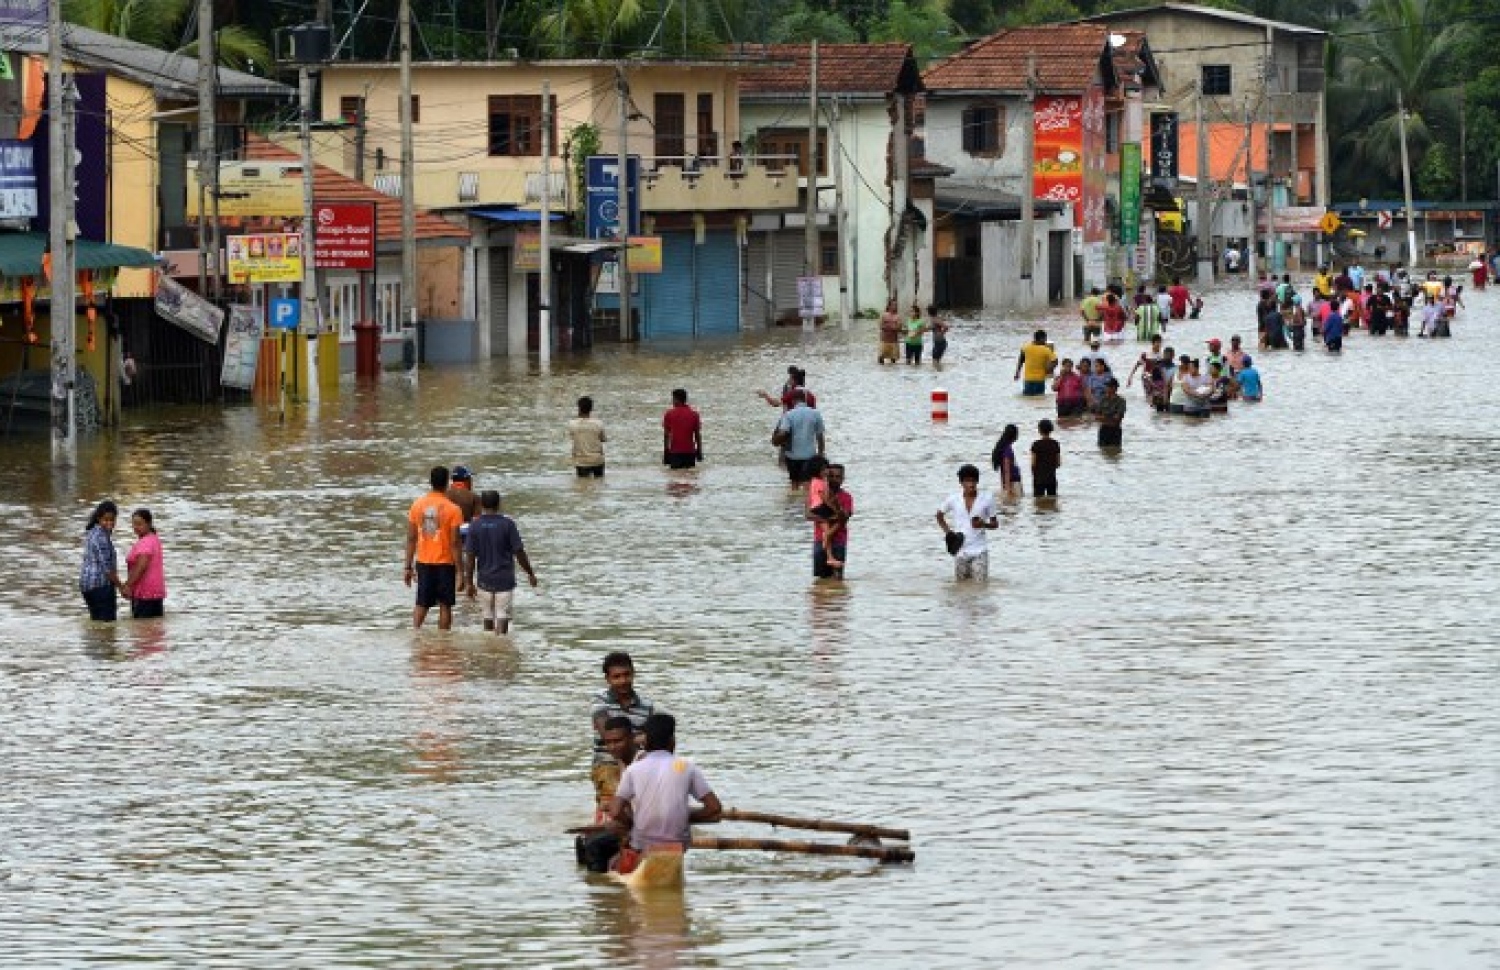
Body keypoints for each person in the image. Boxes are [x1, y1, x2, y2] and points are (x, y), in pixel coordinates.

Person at [604, 713, 722, 875]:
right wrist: (683, 815)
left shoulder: (633, 769)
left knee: (611, 863)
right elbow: (714, 808)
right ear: (672, 741)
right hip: (678, 844)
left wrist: (631, 823)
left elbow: (615, 811)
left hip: (642, 843)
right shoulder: (686, 766)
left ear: (645, 742)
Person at [464, 489, 538, 634]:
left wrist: (468, 582)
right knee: (502, 614)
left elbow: (470, 557)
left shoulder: (474, 526)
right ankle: (501, 646)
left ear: (482, 505)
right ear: (498, 504)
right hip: (504, 579)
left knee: (487, 616)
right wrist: (530, 573)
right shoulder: (508, 524)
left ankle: (489, 648)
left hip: (484, 580)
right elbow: (519, 552)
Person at [577, 715, 640, 872]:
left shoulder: (639, 764)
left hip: (644, 828)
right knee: (586, 840)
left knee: (592, 844)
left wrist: (624, 824)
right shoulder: (623, 761)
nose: (612, 747)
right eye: (608, 743)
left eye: (618, 741)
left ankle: (601, 892)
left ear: (632, 738)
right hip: (638, 823)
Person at [405, 465, 465, 630]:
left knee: (421, 603)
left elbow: (411, 538)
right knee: (445, 605)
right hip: (445, 562)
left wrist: (407, 567)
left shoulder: (417, 505)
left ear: (430, 482)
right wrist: (460, 571)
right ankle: (443, 641)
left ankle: (415, 635)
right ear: (447, 483)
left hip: (423, 561)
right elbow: (455, 543)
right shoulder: (453, 509)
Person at [935, 464, 999, 581]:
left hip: (980, 551)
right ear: (961, 483)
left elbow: (995, 524)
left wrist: (983, 524)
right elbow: (939, 515)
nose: (971, 484)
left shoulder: (987, 498)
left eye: (974, 480)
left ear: (977, 481)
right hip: (960, 550)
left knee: (980, 587)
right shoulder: (953, 499)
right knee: (961, 589)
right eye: (967, 481)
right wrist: (948, 533)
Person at [591, 651, 658, 758]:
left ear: (633, 674)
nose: (623, 681)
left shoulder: (647, 705)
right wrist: (642, 738)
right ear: (608, 679)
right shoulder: (600, 701)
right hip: (607, 762)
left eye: (627, 675)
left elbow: (653, 739)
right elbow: (608, 735)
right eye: (616, 677)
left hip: (638, 761)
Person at [79, 500, 127, 621]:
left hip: (88, 586)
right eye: (106, 519)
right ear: (99, 519)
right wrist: (121, 587)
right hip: (100, 586)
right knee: (107, 625)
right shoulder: (101, 537)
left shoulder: (92, 532)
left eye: (112, 520)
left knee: (98, 625)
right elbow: (108, 570)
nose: (109, 523)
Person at [774, 388, 826, 487]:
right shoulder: (815, 414)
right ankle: (805, 501)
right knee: (808, 484)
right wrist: (820, 454)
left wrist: (775, 441)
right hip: (809, 456)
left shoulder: (789, 415)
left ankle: (793, 501)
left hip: (792, 456)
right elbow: (820, 437)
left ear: (793, 401)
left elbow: (783, 433)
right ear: (805, 399)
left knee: (794, 484)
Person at [809, 463, 853, 579]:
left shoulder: (846, 497)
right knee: (821, 579)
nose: (834, 479)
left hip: (839, 541)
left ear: (843, 479)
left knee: (837, 578)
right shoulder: (817, 490)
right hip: (820, 540)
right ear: (825, 476)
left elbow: (844, 519)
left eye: (838, 477)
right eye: (831, 476)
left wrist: (836, 509)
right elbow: (808, 514)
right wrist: (833, 516)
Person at [123, 508, 166, 619]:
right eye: (134, 524)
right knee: (153, 630)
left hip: (144, 594)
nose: (136, 527)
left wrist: (128, 585)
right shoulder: (154, 539)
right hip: (155, 593)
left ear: (148, 524)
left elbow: (141, 566)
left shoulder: (145, 542)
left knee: (142, 631)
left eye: (139, 524)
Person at [662, 388, 703, 470]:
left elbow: (667, 435)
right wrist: (699, 451)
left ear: (677, 399)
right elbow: (697, 435)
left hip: (675, 452)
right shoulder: (694, 414)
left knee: (675, 478)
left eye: (673, 399)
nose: (672, 401)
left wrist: (666, 452)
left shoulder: (669, 414)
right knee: (689, 478)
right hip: (690, 452)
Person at [568, 396, 607, 477]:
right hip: (597, 460)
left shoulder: (572, 424)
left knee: (582, 485)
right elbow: (603, 439)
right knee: (598, 484)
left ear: (579, 408)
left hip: (581, 461)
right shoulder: (599, 423)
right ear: (591, 409)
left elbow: (572, 437)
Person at [1013, 330, 1057, 396]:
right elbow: (1055, 361)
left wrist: (1017, 373)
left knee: (1028, 398)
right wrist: (1049, 370)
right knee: (1039, 398)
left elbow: (1021, 360)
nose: (1045, 341)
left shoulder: (1025, 347)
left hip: (1028, 379)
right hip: (1040, 379)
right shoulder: (1046, 349)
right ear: (1042, 338)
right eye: (1045, 339)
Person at [1030, 420, 1062, 497]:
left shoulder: (1036, 445)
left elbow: (1033, 463)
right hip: (1051, 478)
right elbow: (1058, 463)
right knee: (1052, 502)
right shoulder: (1055, 444)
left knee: (1038, 503)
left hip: (1039, 479)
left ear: (1040, 430)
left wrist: (1034, 474)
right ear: (1051, 429)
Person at [991, 424, 1023, 499]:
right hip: (1013, 483)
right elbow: (1006, 470)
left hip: (1010, 482)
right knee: (1014, 506)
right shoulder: (1007, 450)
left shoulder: (1004, 447)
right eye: (1017, 434)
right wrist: (1008, 489)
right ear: (1013, 435)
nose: (1018, 436)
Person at [447, 465, 480, 531]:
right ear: (467, 480)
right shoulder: (474, 497)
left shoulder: (443, 495)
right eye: (470, 479)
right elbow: (477, 522)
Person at [1096, 379, 1126, 449]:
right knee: (1102, 451)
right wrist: (1109, 418)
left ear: (1114, 388)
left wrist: (1103, 418)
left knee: (1115, 451)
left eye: (1109, 386)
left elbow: (1117, 418)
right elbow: (1097, 416)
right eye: (1107, 386)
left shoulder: (1121, 401)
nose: (1106, 388)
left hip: (1115, 430)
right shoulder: (1103, 399)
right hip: (1103, 430)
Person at [877, 300, 901, 364]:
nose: (895, 307)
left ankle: (892, 372)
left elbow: (899, 327)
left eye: (896, 305)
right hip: (884, 340)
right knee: (881, 358)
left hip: (894, 341)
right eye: (893, 305)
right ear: (889, 306)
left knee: (893, 360)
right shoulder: (884, 315)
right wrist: (892, 326)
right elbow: (881, 326)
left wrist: (888, 326)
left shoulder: (897, 316)